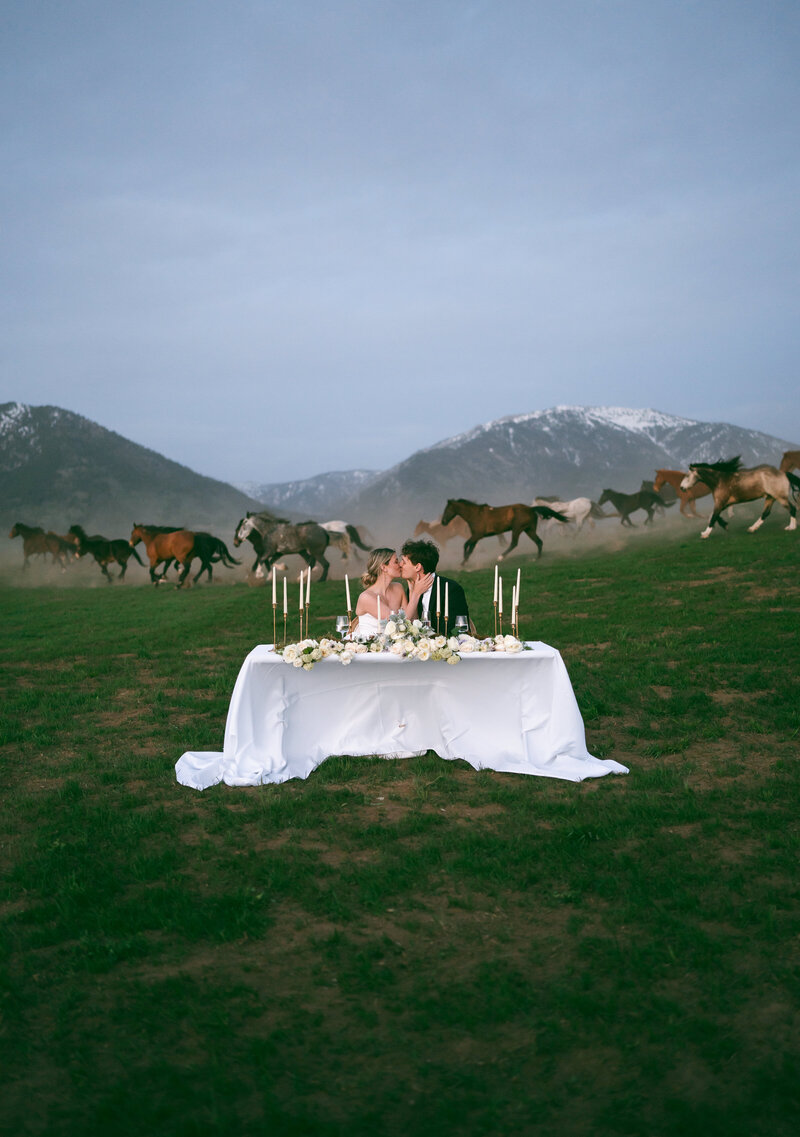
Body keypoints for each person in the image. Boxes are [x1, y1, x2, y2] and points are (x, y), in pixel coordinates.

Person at [354, 548, 434, 639]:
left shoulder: (398, 588)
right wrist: (417, 593)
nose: (400, 565)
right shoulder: (366, 597)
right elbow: (398, 626)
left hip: (396, 645)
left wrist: (412, 592)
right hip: (370, 647)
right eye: (396, 562)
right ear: (384, 567)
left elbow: (412, 621)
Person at [399, 537, 470, 637]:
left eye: (404, 562)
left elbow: (457, 630)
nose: (400, 565)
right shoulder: (411, 589)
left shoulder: (451, 589)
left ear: (417, 567)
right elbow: (411, 626)